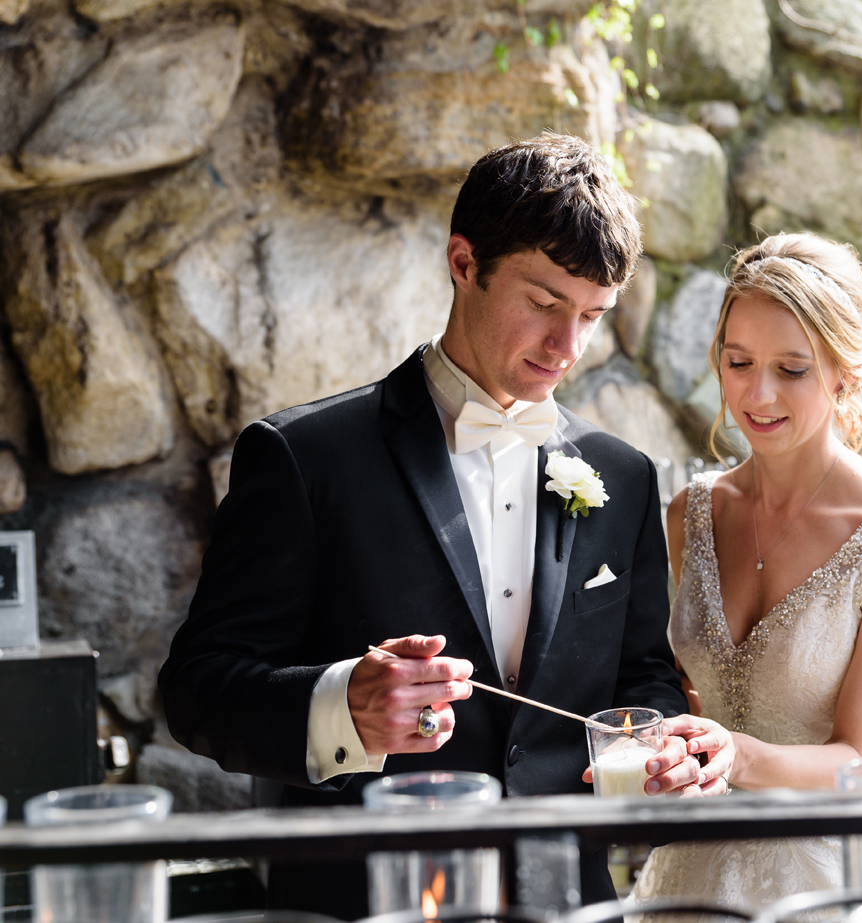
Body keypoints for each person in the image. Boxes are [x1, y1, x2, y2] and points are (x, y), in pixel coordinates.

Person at [158, 133, 721, 918]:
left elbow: (640, 678)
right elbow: (196, 689)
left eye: (593, 315)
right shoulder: (302, 458)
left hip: (564, 899)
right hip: (365, 899)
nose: (568, 346)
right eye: (545, 302)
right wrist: (340, 705)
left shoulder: (622, 477)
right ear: (463, 262)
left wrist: (656, 746)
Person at [628, 233, 862, 911]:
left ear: (845, 372)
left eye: (792, 369)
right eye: (739, 361)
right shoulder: (691, 514)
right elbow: (683, 693)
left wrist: (736, 755)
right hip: (690, 876)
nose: (758, 392)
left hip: (830, 883)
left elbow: (860, 758)